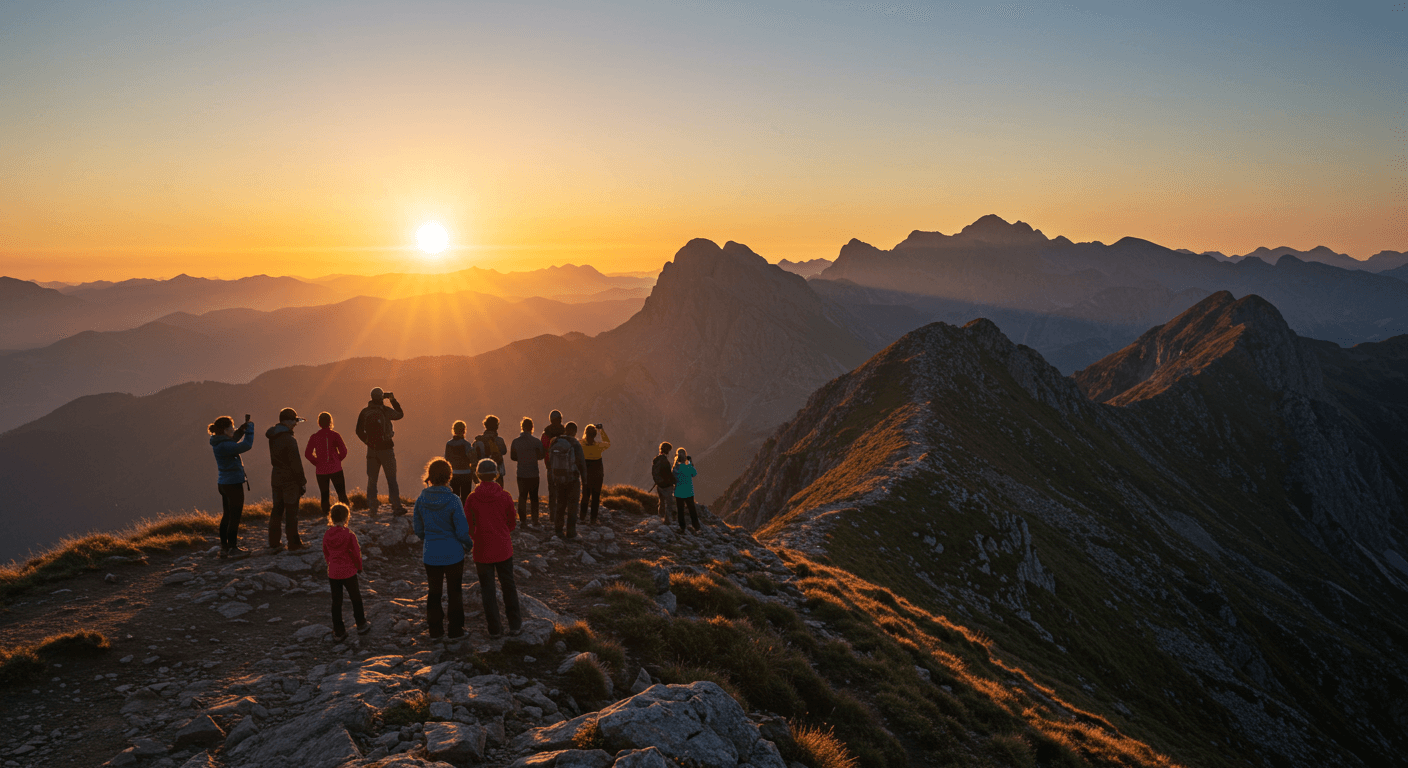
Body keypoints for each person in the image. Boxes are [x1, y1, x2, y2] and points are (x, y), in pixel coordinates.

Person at [412, 458, 471, 640]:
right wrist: (468, 545)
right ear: (449, 476)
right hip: (454, 553)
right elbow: (462, 530)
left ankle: (435, 631)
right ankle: (456, 631)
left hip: (431, 553)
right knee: (455, 592)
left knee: (434, 592)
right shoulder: (453, 500)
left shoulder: (421, 500)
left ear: (430, 476)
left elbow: (418, 529)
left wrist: (428, 539)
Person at [464, 458, 522, 638]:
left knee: (487, 590)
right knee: (508, 586)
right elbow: (512, 522)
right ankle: (515, 625)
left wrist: (477, 537)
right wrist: (502, 532)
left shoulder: (472, 498)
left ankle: (495, 629)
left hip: (482, 550)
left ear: (478, 475)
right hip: (503, 547)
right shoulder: (505, 496)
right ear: (496, 475)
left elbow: (468, 525)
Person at [208, 415, 255, 558]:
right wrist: (250, 430)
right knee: (234, 516)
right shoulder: (225, 445)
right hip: (233, 484)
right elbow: (246, 445)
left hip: (223, 483)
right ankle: (233, 549)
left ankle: (224, 547)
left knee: (227, 516)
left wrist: (241, 430)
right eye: (232, 427)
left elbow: (233, 440)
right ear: (225, 430)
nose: (233, 429)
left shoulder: (219, 441)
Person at [322, 503, 370, 641]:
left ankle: (339, 631)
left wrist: (330, 564)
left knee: (336, 602)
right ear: (346, 517)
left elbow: (326, 552)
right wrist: (359, 567)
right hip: (349, 571)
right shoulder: (349, 534)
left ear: (331, 517)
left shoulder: (327, 534)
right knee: (355, 598)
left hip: (333, 572)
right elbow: (356, 553)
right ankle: (361, 624)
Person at [356, 387, 406, 515]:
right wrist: (393, 400)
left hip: (371, 450)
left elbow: (358, 431)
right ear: (382, 397)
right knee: (391, 479)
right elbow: (400, 414)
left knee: (372, 479)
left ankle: (372, 507)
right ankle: (396, 506)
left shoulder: (365, 412)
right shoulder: (385, 410)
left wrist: (368, 442)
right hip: (386, 448)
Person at [266, 408, 308, 552]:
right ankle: (294, 544)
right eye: (294, 421)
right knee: (291, 512)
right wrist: (302, 482)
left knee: (277, 510)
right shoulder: (289, 440)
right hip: (290, 480)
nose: (295, 424)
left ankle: (274, 543)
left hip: (276, 477)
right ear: (287, 421)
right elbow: (296, 463)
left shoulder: (273, 436)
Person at [304, 412, 350, 516]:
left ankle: (326, 515)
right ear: (330, 422)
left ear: (319, 423)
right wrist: (337, 460)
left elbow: (308, 454)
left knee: (324, 495)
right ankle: (345, 514)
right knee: (341, 493)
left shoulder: (314, 437)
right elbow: (344, 451)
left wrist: (316, 462)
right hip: (336, 468)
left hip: (321, 470)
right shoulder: (335, 435)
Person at [547, 421, 587, 539]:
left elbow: (550, 460)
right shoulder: (575, 443)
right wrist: (584, 480)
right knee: (572, 506)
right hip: (572, 479)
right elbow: (581, 463)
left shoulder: (555, 441)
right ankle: (571, 532)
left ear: (565, 430)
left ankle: (558, 530)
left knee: (560, 504)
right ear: (574, 431)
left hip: (559, 478)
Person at [510, 417, 545, 526]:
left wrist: (522, 457)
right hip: (534, 472)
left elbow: (513, 457)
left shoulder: (516, 442)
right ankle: (535, 520)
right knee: (534, 497)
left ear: (522, 427)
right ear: (532, 428)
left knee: (522, 496)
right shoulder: (536, 442)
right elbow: (541, 456)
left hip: (521, 473)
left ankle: (523, 520)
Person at [579, 424, 610, 524]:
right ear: (595, 435)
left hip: (586, 474)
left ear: (586, 433)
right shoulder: (599, 446)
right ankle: (593, 519)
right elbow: (607, 443)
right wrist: (601, 430)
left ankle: (582, 517)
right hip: (598, 474)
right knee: (595, 497)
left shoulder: (581, 445)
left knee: (585, 496)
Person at [540, 410, 566, 527]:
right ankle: (561, 515)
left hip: (550, 465)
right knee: (563, 491)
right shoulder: (565, 432)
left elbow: (543, 449)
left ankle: (552, 516)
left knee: (552, 491)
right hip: (564, 466)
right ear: (560, 419)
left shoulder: (546, 434)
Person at [445, 421, 476, 503]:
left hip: (453, 473)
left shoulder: (449, 444)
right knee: (466, 496)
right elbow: (471, 458)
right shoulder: (466, 444)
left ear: (453, 430)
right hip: (466, 473)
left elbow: (447, 458)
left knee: (455, 496)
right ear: (464, 430)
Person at [673, 447, 700, 534]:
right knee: (692, 510)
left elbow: (673, 478)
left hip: (678, 492)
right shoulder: (688, 467)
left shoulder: (675, 468)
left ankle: (682, 528)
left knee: (680, 511)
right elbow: (694, 473)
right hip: (689, 492)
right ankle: (696, 527)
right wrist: (690, 462)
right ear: (685, 457)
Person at [473, 415, 508, 483]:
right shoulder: (499, 440)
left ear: (485, 425)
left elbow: (474, 456)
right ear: (496, 427)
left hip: (483, 472)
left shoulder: (478, 440)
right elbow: (504, 451)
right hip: (498, 471)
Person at [651, 441, 676, 524]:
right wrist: (673, 481)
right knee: (669, 502)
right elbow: (667, 474)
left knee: (661, 502)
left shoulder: (656, 459)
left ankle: (660, 518)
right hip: (667, 485)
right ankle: (667, 520)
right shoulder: (664, 460)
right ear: (667, 450)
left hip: (659, 484)